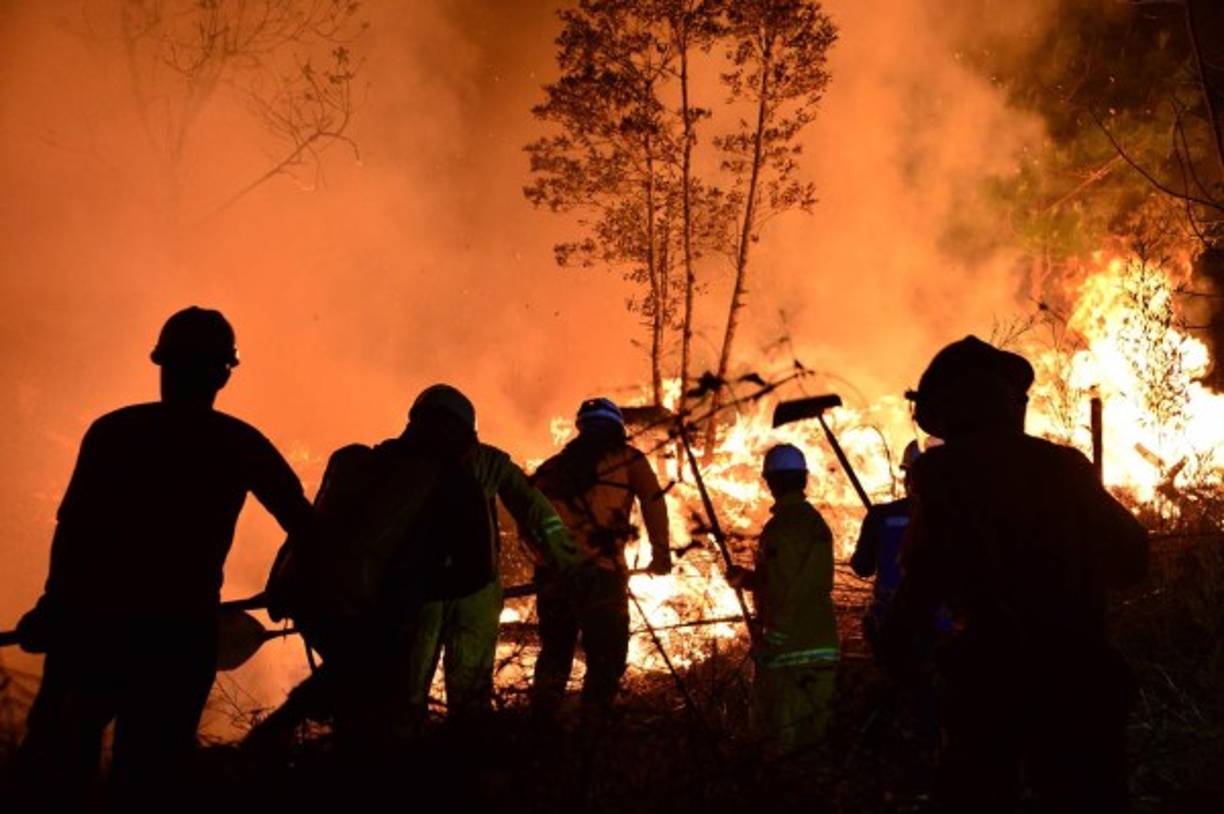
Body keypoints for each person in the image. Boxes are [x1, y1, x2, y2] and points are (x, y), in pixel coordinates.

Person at [13, 307, 314, 807]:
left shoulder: (113, 432)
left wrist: (53, 607)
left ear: (161, 364)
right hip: (177, 635)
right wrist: (290, 584)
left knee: (58, 768)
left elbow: (74, 533)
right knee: (149, 777)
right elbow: (306, 526)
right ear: (224, 373)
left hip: (95, 627)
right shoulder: (239, 443)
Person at [889, 335, 1149, 813]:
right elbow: (1133, 559)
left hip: (993, 682)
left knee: (975, 794)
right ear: (1009, 402)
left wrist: (898, 650)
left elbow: (923, 581)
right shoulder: (1065, 466)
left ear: (946, 410)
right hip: (1081, 676)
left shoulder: (943, 473)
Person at [529, 397, 671, 720]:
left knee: (554, 654)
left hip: (555, 579)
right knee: (607, 658)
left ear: (581, 427)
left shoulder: (551, 468)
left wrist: (542, 560)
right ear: (616, 427)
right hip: (603, 577)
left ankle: (540, 730)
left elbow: (529, 518)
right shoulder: (628, 460)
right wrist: (661, 555)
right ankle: (594, 733)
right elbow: (654, 502)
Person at [728, 443, 839, 758]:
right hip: (823, 642)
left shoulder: (780, 529)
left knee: (780, 744)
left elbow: (783, 589)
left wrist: (772, 640)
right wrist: (748, 579)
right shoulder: (815, 523)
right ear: (804, 478)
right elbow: (801, 579)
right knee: (815, 744)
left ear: (768, 481)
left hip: (791, 651)